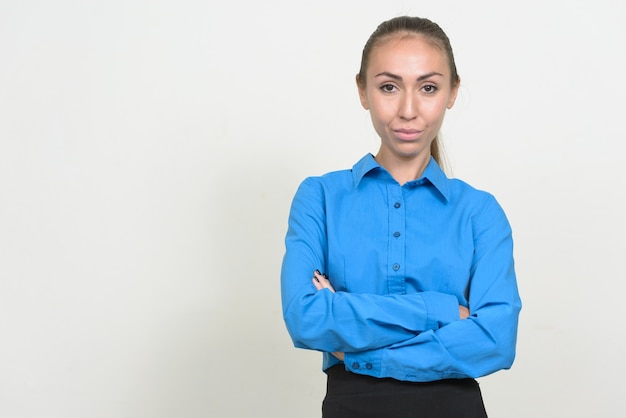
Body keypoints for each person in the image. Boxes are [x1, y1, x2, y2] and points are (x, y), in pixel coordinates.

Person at [280, 16, 521, 418]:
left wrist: (356, 351)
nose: (408, 110)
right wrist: (441, 310)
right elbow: (305, 318)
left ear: (452, 92)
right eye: (389, 87)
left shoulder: (479, 212)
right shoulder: (320, 197)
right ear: (363, 91)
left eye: (428, 88)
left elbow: (496, 339)